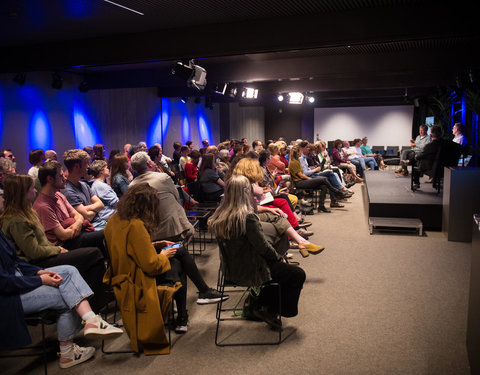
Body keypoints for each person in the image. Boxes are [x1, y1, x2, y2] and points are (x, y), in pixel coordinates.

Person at [104, 184, 227, 348]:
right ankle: (188, 310)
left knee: (178, 253)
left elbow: (128, 249)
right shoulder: (137, 226)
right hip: (137, 279)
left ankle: (190, 308)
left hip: (123, 273)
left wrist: (155, 244)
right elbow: (151, 266)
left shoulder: (115, 219)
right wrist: (162, 255)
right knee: (177, 261)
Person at [0, 229, 122, 368]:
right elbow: (3, 283)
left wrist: (38, 271)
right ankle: (68, 354)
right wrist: (39, 280)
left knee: (69, 271)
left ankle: (91, 320)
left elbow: (16, 262)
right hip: (9, 297)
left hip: (21, 281)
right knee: (68, 296)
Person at [208, 175, 306, 328]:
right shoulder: (248, 218)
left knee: (282, 269)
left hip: (229, 269)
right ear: (245, 193)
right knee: (296, 274)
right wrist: (280, 258)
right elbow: (263, 248)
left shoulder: (218, 215)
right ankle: (267, 309)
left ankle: (261, 305)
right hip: (251, 269)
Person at [1, 174, 107, 311]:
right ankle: (94, 305)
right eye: (32, 189)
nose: (35, 191)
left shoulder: (28, 211)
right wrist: (57, 249)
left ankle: (96, 301)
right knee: (93, 254)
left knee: (93, 253)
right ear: (22, 193)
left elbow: (42, 242)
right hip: (35, 264)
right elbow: (34, 252)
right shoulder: (17, 220)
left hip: (47, 253)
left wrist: (55, 248)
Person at [33, 161, 106, 253]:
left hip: (74, 235)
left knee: (106, 236)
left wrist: (76, 224)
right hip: (64, 245)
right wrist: (78, 223)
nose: (64, 178)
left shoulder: (59, 195)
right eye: (60, 176)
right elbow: (63, 235)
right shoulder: (43, 206)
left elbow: (79, 216)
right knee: (105, 234)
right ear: (50, 179)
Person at [129, 151, 194, 242]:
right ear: (149, 164)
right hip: (172, 232)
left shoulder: (132, 185)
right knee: (176, 205)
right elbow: (177, 197)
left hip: (149, 234)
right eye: (152, 161)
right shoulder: (163, 178)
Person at [62, 149, 108, 229]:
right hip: (91, 228)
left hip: (99, 223)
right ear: (76, 167)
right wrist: (95, 209)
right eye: (86, 163)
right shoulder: (68, 191)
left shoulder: (84, 184)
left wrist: (86, 208)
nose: (88, 166)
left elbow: (101, 205)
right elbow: (87, 217)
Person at [412, 125, 466, 189]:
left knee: (416, 162)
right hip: (448, 169)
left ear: (430, 135)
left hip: (432, 169)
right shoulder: (450, 143)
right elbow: (463, 150)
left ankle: (416, 183)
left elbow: (418, 157)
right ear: (441, 134)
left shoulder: (429, 146)